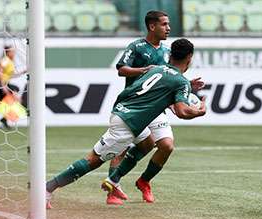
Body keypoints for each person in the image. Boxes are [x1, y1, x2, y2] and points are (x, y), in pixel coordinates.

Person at [46, 38, 205, 209]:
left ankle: (114, 179)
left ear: (171, 54)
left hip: (124, 113)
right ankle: (47, 189)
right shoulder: (179, 81)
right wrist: (199, 110)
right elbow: (182, 112)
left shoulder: (156, 69)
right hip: (128, 123)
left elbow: (154, 87)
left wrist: (186, 85)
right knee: (93, 160)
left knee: (147, 143)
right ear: (190, 57)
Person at [105, 10, 204, 205]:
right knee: (122, 148)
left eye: (168, 24)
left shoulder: (168, 51)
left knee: (166, 146)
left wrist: (187, 85)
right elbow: (121, 69)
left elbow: (171, 76)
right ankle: (112, 191)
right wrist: (143, 70)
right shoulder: (137, 47)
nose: (168, 28)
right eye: (165, 24)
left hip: (157, 108)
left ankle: (144, 181)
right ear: (152, 26)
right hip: (136, 106)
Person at [0, 45, 25, 129]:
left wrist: (22, 72)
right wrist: (3, 85)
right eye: (12, 51)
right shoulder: (5, 60)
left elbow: (9, 75)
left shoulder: (10, 62)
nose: (13, 53)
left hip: (3, 84)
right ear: (7, 52)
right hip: (0, 84)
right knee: (14, 100)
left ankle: (4, 119)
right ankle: (4, 118)